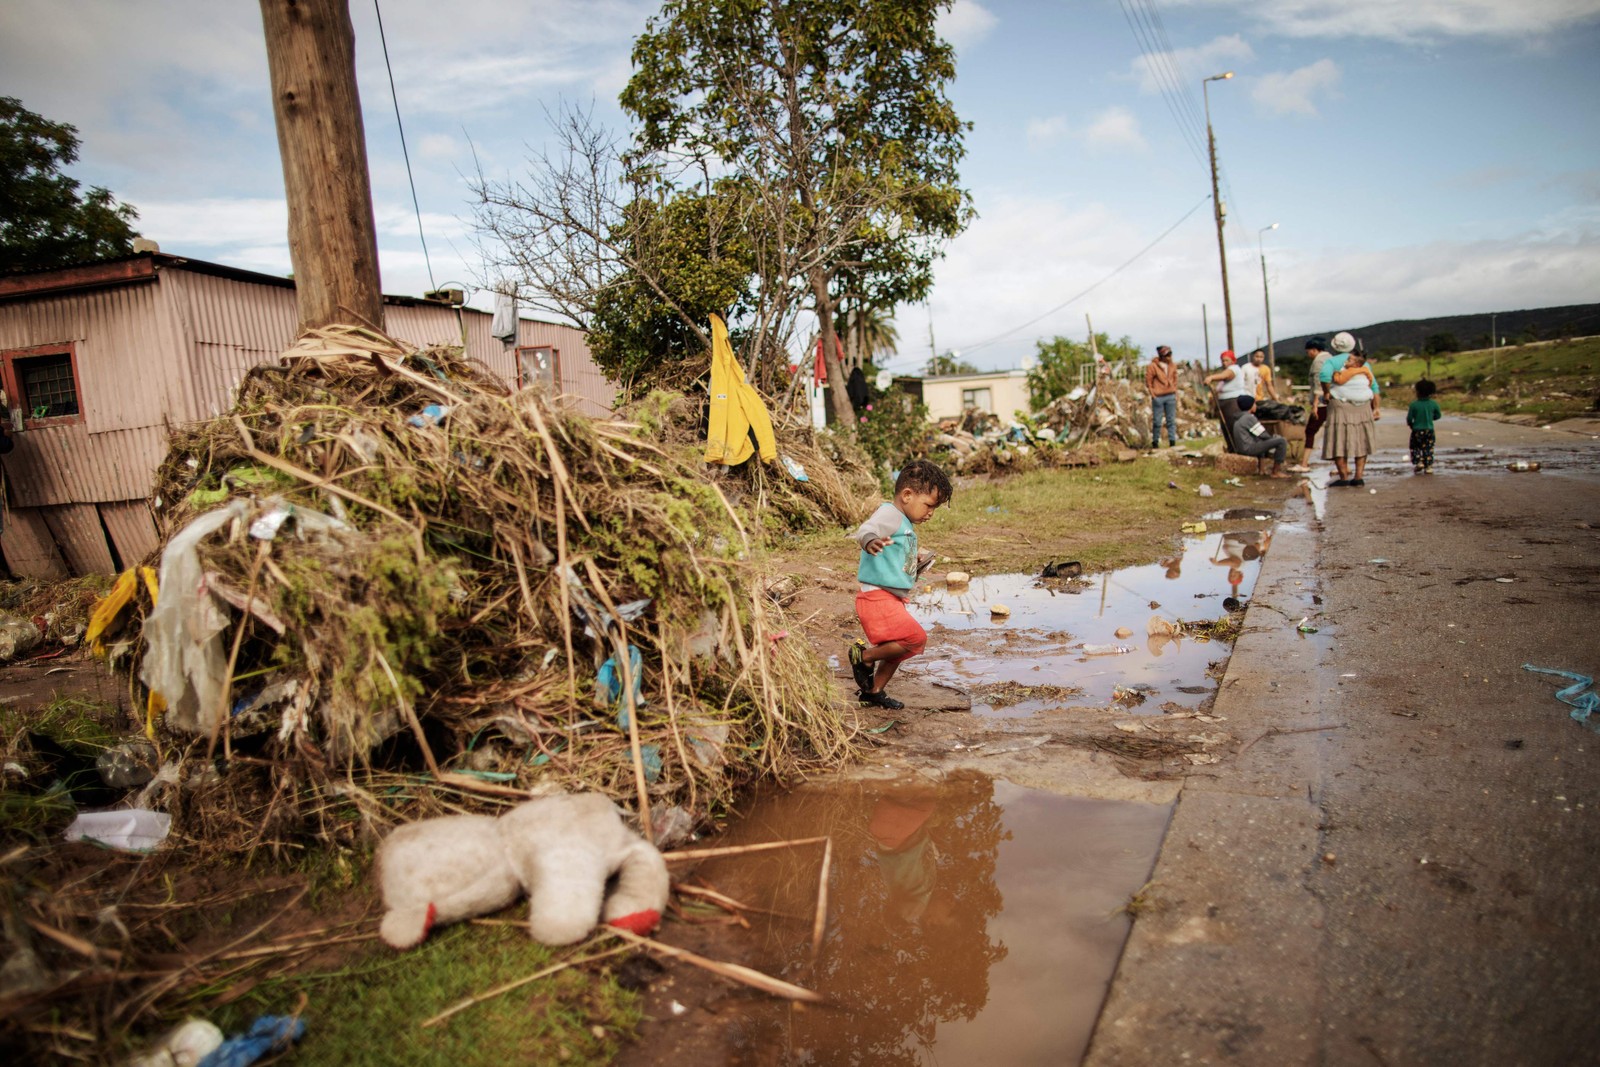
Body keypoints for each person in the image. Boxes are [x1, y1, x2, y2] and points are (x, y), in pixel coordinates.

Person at [848, 459, 954, 709]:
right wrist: (869, 540)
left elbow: (895, 558)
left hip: (890, 598)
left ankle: (873, 692)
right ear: (907, 495)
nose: (930, 513)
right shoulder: (891, 514)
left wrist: (917, 563)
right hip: (877, 597)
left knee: (897, 649)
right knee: (915, 639)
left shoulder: (904, 525)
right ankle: (863, 656)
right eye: (929, 505)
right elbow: (867, 528)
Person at [1321, 340, 1381, 486]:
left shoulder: (1331, 362)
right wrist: (1376, 407)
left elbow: (1324, 377)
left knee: (1339, 440)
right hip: (1363, 406)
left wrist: (1327, 393)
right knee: (1361, 441)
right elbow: (1373, 387)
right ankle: (1358, 477)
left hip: (1340, 406)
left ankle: (1343, 478)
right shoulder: (1365, 366)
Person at [1230, 395, 1290, 477]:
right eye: (1254, 403)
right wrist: (1274, 439)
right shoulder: (1248, 418)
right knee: (1281, 441)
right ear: (1250, 406)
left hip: (1242, 448)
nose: (1256, 406)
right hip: (1248, 449)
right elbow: (1263, 435)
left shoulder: (1239, 418)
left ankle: (1261, 470)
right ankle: (1276, 471)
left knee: (1259, 440)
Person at [1204, 350, 1247, 450]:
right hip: (1225, 402)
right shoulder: (1225, 373)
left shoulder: (1234, 369)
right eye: (1223, 361)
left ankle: (1238, 449)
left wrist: (1211, 377)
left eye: (1227, 360)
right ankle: (1231, 448)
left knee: (1233, 426)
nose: (1224, 363)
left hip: (1233, 402)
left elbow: (1226, 375)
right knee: (1226, 427)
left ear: (1232, 361)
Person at [1145, 344, 1179, 449]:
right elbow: (1148, 380)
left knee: (1171, 420)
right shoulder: (1153, 366)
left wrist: (1174, 391)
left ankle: (1172, 442)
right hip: (1158, 396)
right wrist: (1153, 393)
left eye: (1170, 354)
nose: (1169, 357)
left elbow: (1175, 379)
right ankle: (1155, 442)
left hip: (1170, 395)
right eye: (1167, 355)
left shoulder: (1173, 365)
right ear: (1162, 356)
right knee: (1157, 421)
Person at [1302, 338, 1333, 453]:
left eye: (1308, 352)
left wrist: (1315, 404)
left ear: (1314, 350)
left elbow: (1318, 384)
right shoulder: (1330, 358)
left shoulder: (1319, 361)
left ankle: (1304, 463)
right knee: (1332, 431)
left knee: (1310, 430)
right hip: (1332, 399)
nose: (1308, 354)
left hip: (1321, 402)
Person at [1407, 379, 1443, 474]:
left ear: (1417, 392)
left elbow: (1409, 418)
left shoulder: (1414, 405)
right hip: (1429, 429)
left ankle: (1419, 462)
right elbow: (1438, 415)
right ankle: (1428, 466)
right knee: (1428, 448)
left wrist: (1411, 425)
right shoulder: (1433, 404)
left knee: (1415, 447)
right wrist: (1431, 418)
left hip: (1417, 430)